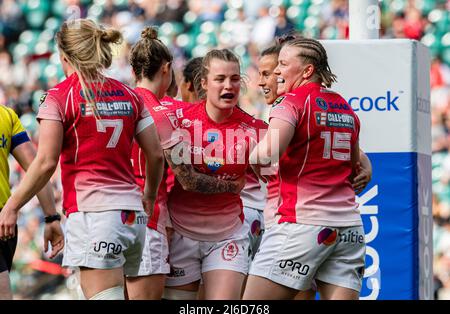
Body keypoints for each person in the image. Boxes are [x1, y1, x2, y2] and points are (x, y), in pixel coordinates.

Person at [0, 19, 164, 300]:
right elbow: (156, 154)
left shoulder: (59, 97)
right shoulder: (130, 94)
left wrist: (12, 206)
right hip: (134, 217)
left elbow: (45, 162)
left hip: (95, 215)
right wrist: (149, 194)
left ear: (64, 57)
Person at [244, 37, 365, 300]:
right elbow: (359, 165)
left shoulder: (290, 103)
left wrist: (252, 158)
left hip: (302, 225)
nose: (277, 71)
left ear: (307, 70)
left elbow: (268, 153)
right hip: (350, 229)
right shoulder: (344, 107)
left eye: (283, 65)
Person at [163, 49, 266, 300]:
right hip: (179, 232)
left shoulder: (257, 130)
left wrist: (358, 158)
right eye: (220, 79)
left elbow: (281, 175)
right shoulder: (178, 122)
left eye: (234, 79)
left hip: (229, 236)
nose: (228, 86)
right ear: (203, 83)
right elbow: (185, 181)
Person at [126, 27, 181, 300]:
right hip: (149, 218)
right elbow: (182, 173)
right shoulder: (163, 111)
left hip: (115, 215)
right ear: (167, 68)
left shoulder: (121, 101)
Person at [0, 106, 64, 300]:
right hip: (5, 223)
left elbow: (38, 167)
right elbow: (37, 168)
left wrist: (52, 217)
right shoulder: (5, 115)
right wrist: (51, 217)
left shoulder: (7, 116)